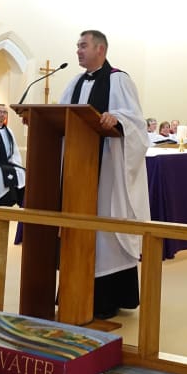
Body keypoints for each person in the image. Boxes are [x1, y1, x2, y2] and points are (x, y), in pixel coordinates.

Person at [60, 29, 150, 321]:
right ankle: (76, 290)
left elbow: (136, 121)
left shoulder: (118, 79)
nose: (78, 51)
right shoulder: (74, 81)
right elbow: (60, 116)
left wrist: (118, 119)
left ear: (100, 49)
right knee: (79, 229)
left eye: (83, 46)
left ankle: (108, 298)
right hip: (78, 170)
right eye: (77, 46)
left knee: (105, 232)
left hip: (107, 168)